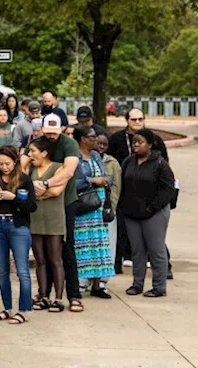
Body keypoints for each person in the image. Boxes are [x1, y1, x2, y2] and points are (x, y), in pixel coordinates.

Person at [33, 113, 84, 311]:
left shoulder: (69, 144)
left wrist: (45, 184)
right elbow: (26, 159)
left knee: (66, 247)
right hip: (42, 202)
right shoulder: (38, 142)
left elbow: (68, 171)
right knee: (43, 252)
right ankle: (44, 292)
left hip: (65, 201)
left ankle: (73, 294)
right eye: (48, 133)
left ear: (62, 129)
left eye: (55, 132)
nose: (51, 136)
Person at [0, 145, 37, 325]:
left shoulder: (24, 179)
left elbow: (31, 205)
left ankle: (24, 310)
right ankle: (7, 308)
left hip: (18, 225)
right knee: (2, 271)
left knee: (22, 270)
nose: (4, 167)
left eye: (7, 163)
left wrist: (12, 198)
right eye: (1, 164)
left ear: (15, 162)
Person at [119, 128, 175, 297]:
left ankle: (159, 286)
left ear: (150, 144)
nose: (136, 145)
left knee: (156, 250)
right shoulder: (129, 162)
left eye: (140, 142)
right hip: (132, 214)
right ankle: (137, 284)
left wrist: (153, 208)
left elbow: (168, 190)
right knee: (137, 251)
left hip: (154, 213)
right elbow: (123, 184)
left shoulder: (160, 164)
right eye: (134, 141)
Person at [71, 126, 114, 299]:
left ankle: (98, 285)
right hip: (84, 207)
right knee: (83, 245)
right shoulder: (75, 158)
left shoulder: (96, 156)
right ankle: (79, 284)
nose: (96, 140)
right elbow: (74, 182)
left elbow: (105, 175)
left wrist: (104, 180)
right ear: (82, 139)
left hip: (99, 206)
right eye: (92, 137)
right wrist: (92, 180)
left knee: (99, 245)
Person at [26, 136, 67, 312]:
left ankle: (58, 298)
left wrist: (36, 192)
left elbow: (57, 191)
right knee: (40, 259)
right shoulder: (30, 170)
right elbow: (24, 190)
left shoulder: (59, 168)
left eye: (33, 151)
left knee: (55, 259)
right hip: (35, 218)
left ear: (44, 152)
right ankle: (43, 295)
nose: (30, 155)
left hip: (54, 218)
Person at [97, 134, 123, 286]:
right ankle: (86, 280)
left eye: (104, 144)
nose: (101, 146)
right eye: (98, 143)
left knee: (109, 244)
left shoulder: (112, 163)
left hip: (106, 211)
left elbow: (116, 188)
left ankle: (103, 280)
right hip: (89, 210)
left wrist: (111, 208)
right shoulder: (84, 160)